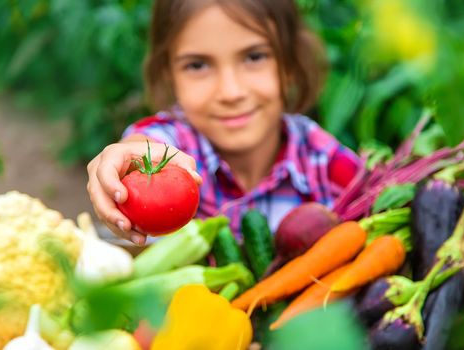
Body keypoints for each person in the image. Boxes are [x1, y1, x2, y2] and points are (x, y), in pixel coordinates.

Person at [87, 0, 360, 246]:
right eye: (197, 65)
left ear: (289, 63)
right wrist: (129, 157)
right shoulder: (176, 147)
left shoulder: (323, 161)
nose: (230, 92)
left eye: (255, 57)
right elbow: (145, 146)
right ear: (168, 73)